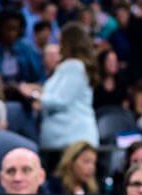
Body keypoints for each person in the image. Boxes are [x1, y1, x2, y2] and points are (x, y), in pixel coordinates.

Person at [39, 22, 100, 150]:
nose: (59, 45)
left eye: (61, 41)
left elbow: (60, 100)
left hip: (72, 139)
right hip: (66, 139)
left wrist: (35, 97)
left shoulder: (74, 66)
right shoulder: (71, 66)